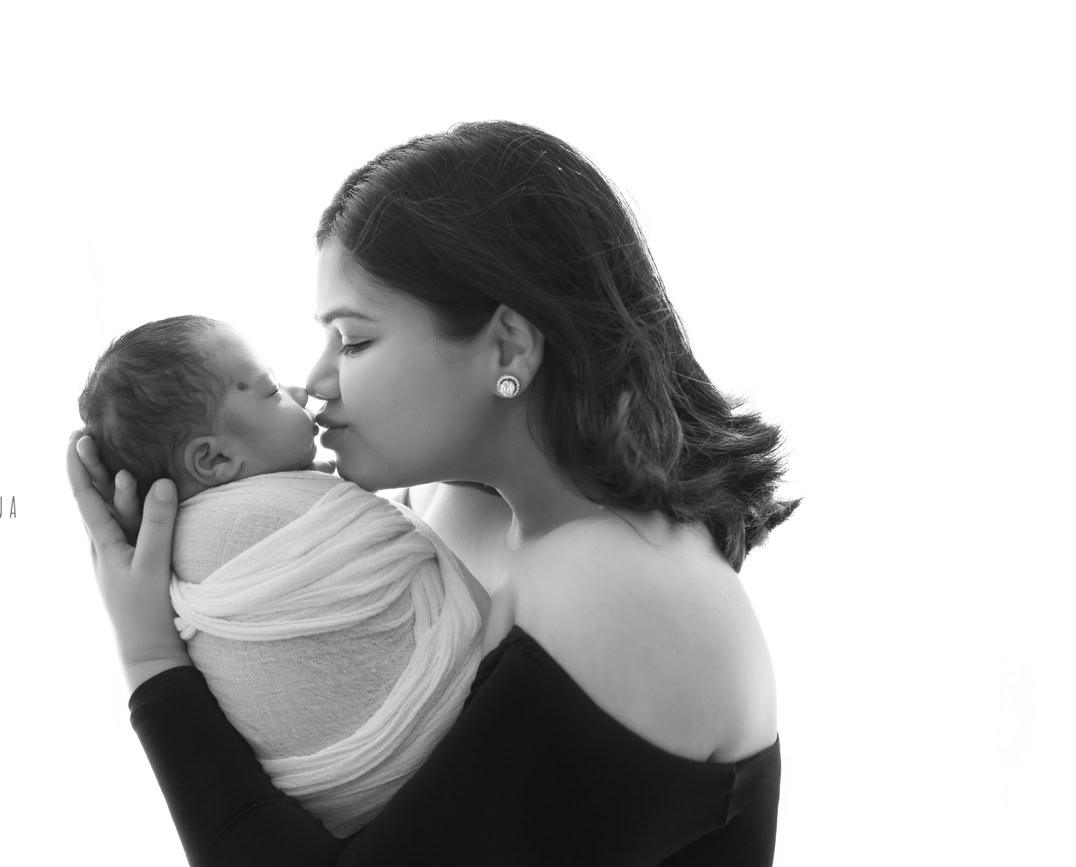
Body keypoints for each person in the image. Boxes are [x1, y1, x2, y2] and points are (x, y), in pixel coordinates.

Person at [68, 120, 798, 865]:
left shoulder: (622, 587)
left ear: (508, 348)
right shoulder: (464, 511)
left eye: (353, 340)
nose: (315, 381)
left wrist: (151, 657)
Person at [76, 314, 486, 836]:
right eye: (270, 391)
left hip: (350, 810)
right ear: (215, 458)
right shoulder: (238, 528)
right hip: (422, 760)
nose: (301, 389)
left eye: (356, 341)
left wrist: (147, 656)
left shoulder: (194, 536)